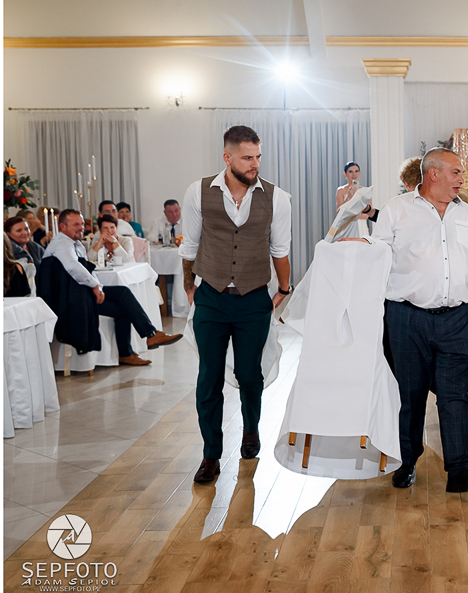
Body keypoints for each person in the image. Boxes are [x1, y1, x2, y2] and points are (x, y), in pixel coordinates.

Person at [368, 147, 468, 493]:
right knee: (410, 396)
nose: (463, 179)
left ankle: (460, 469)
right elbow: (377, 256)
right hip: (406, 318)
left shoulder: (467, 215)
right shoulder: (396, 210)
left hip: (456, 320)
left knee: (455, 395)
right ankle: (406, 462)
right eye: (456, 172)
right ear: (433, 174)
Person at [180, 125, 293, 484]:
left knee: (249, 374)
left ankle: (250, 430)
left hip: (253, 298)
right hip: (211, 297)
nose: (255, 163)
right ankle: (211, 454)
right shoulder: (198, 192)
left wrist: (284, 289)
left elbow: (280, 251)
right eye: (247, 157)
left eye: (258, 156)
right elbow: (189, 248)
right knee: (208, 378)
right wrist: (190, 289)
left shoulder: (278, 198)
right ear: (227, 157)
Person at [43, 209, 181, 366]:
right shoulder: (61, 243)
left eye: (81, 224)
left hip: (79, 293)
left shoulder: (76, 244)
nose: (81, 227)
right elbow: (74, 268)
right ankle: (141, 341)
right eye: (76, 224)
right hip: (68, 300)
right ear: (62, 226)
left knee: (122, 295)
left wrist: (99, 287)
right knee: (123, 303)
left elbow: (87, 268)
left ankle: (144, 339)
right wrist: (96, 286)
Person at [335, 162, 373, 238]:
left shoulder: (365, 191)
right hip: (346, 225)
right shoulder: (341, 190)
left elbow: (369, 214)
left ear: (359, 173)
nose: (354, 174)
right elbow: (339, 212)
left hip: (361, 225)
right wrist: (348, 197)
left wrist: (350, 215)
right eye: (350, 171)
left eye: (356, 171)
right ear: (345, 174)